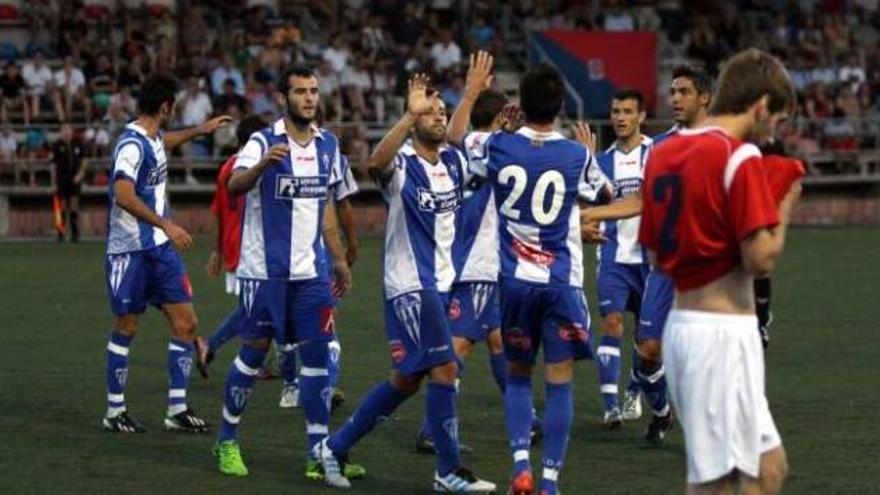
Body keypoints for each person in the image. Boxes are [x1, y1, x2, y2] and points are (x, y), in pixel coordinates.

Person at [314, 74, 496, 493]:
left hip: (445, 283)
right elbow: (374, 164)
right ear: (414, 120)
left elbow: (466, 144)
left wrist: (467, 98)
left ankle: (334, 447)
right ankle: (448, 470)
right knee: (446, 367)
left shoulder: (453, 161)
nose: (438, 118)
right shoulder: (401, 166)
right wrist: (408, 114)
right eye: (429, 113)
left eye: (441, 113)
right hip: (412, 284)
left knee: (408, 379)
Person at [638, 48, 799, 495]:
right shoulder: (738, 155)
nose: (773, 133)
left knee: (768, 468)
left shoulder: (666, 153)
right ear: (761, 106)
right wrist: (785, 200)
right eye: (777, 121)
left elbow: (655, 253)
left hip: (689, 325)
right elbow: (761, 258)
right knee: (715, 485)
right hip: (720, 335)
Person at [469, 64, 610, 495]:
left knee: (516, 374)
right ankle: (549, 482)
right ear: (561, 105)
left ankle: (520, 469)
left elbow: (462, 138)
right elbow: (604, 196)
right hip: (560, 283)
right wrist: (588, 154)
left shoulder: (497, 145)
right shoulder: (574, 154)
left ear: (520, 105)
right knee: (560, 379)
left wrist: (476, 93)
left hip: (514, 283)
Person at [212, 66, 354, 480]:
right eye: (300, 92)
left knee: (317, 359)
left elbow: (324, 203)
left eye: (313, 91)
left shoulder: (328, 145)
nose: (309, 98)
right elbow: (234, 185)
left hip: (310, 274)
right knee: (253, 354)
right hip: (265, 274)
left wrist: (340, 257)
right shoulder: (263, 141)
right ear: (282, 98)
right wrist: (259, 169)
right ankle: (226, 439)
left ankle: (317, 452)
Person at [581, 65, 712, 444]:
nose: (674, 99)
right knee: (649, 350)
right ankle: (660, 411)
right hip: (661, 266)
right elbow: (641, 200)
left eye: (683, 91)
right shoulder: (663, 148)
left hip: (708, 269)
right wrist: (587, 214)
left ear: (704, 97)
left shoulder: (725, 141)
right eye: (672, 91)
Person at [101, 72, 231, 434]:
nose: (175, 108)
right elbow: (123, 195)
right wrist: (166, 225)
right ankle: (114, 411)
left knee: (186, 324)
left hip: (159, 252)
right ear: (164, 106)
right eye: (173, 103)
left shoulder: (153, 136)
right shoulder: (130, 145)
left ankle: (176, 410)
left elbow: (164, 141)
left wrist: (199, 130)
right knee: (127, 325)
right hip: (129, 252)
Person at [591, 89, 652, 429]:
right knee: (612, 322)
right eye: (615, 111)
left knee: (647, 340)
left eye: (628, 111)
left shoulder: (656, 153)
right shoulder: (601, 162)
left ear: (641, 116)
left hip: (650, 260)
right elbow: (586, 204)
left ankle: (633, 391)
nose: (620, 117)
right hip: (612, 257)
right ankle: (610, 405)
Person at [200, 114, 269, 376]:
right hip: (249, 243)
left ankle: (254, 359)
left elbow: (217, 210)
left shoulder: (227, 165)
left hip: (234, 242)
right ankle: (213, 344)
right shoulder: (250, 168)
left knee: (253, 305)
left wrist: (217, 250)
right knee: (255, 306)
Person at [50, 123, 87, 242]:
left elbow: (85, 161)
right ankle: (61, 232)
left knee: (74, 204)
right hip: (62, 178)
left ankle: (75, 233)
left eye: (68, 129)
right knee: (61, 206)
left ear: (71, 131)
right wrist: (54, 182)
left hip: (75, 178)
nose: (66, 131)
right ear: (61, 131)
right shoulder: (57, 145)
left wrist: (80, 174)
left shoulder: (78, 144)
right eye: (64, 129)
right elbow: (53, 165)